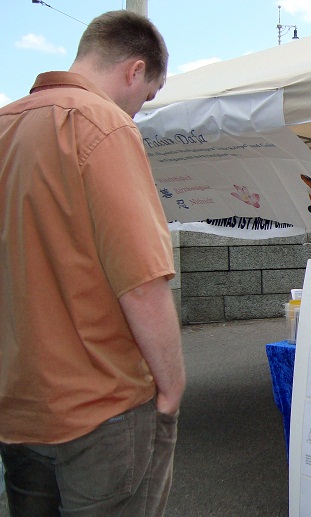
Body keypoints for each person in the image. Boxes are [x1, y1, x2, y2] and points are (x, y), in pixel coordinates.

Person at [0, 10, 185, 516]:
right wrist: (171, 388)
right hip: (102, 410)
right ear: (134, 70)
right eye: (146, 96)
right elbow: (141, 282)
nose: (138, 112)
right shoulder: (104, 124)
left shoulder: (6, 127)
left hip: (18, 409)